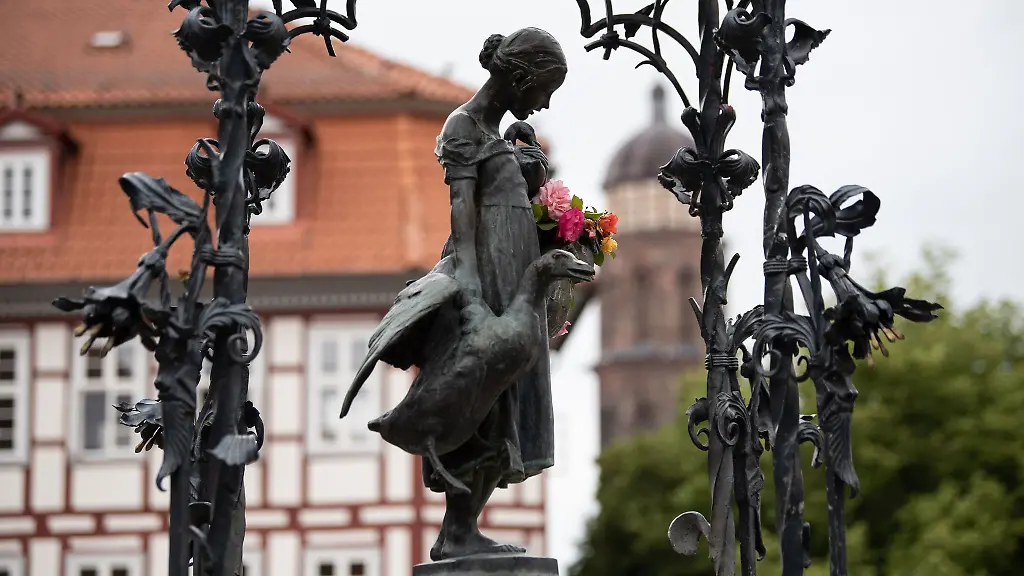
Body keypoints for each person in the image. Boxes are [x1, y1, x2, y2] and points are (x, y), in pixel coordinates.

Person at [428, 27, 568, 560]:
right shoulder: (463, 126)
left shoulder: (501, 134)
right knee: (486, 402)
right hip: (488, 275)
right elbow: (462, 217)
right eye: (545, 88)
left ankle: (463, 527)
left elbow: (512, 207)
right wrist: (469, 292)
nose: (546, 102)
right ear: (521, 76)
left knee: (510, 400)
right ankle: (458, 530)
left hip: (517, 275)